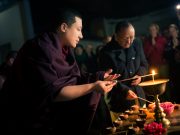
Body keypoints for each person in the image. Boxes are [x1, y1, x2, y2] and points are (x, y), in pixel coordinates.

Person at [0, 9, 119, 135]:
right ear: (64, 27)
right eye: (78, 29)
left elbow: (74, 78)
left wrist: (100, 76)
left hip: (50, 117)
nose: (82, 35)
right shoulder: (40, 48)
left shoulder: (65, 50)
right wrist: (93, 86)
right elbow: (53, 92)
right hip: (26, 119)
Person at [98, 21, 149, 113]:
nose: (129, 42)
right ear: (116, 36)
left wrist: (140, 76)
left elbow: (144, 64)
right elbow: (107, 78)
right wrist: (124, 90)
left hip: (139, 95)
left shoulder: (137, 43)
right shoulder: (106, 53)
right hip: (120, 98)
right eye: (126, 38)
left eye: (132, 37)